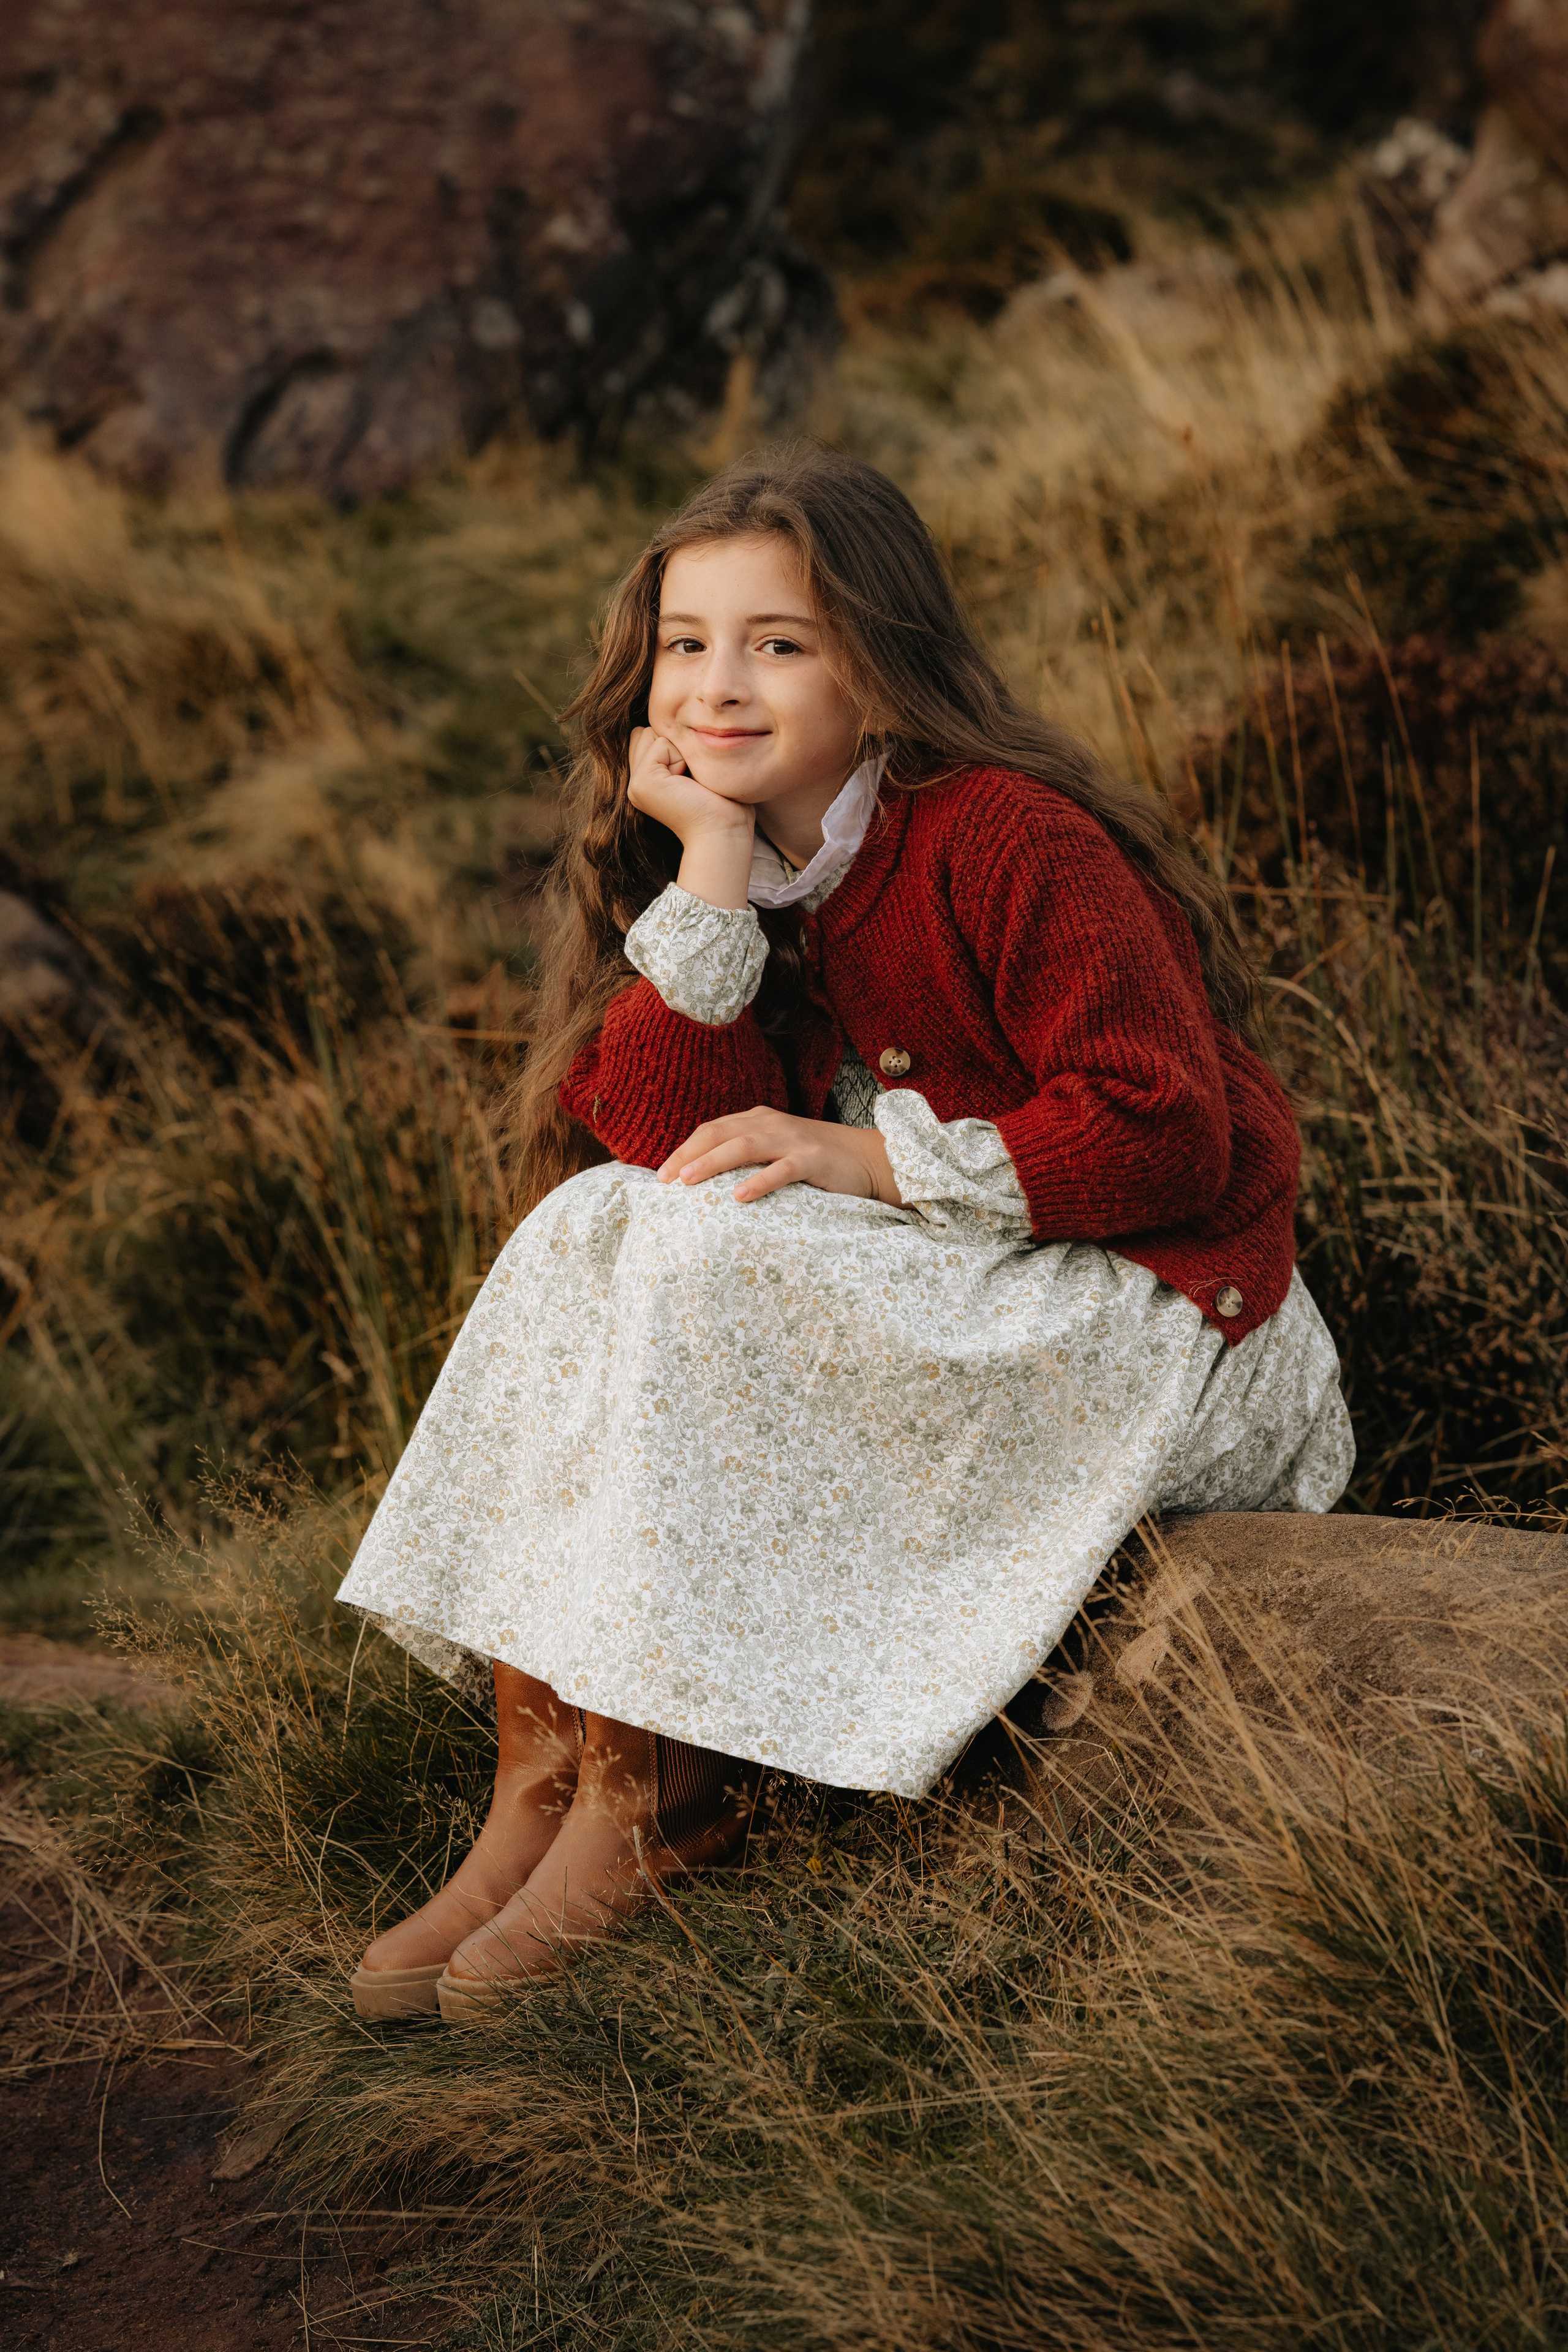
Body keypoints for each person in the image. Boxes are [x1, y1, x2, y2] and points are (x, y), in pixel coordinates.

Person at [336, 447, 1353, 2022]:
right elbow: (670, 1139)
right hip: (980, 1285)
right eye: (686, 644)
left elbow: (1168, 1134)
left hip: (1165, 1311)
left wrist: (867, 1160)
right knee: (594, 1226)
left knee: (673, 1239)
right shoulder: (743, 866)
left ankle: (663, 1798)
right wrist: (719, 875)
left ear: (877, 671)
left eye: (778, 642)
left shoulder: (1006, 836)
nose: (717, 685)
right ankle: (549, 1782)